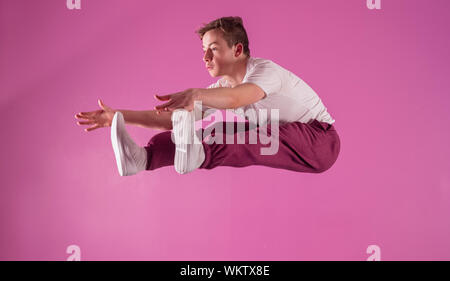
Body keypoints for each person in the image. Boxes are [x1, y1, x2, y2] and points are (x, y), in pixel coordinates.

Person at [74, 16, 340, 177]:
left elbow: (238, 98)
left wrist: (196, 95)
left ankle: (199, 155)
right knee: (214, 129)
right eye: (203, 50)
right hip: (280, 132)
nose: (205, 58)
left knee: (256, 135)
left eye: (213, 49)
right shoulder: (219, 90)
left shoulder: (265, 71)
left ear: (237, 50)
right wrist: (118, 116)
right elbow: (170, 120)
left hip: (320, 140)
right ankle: (143, 159)